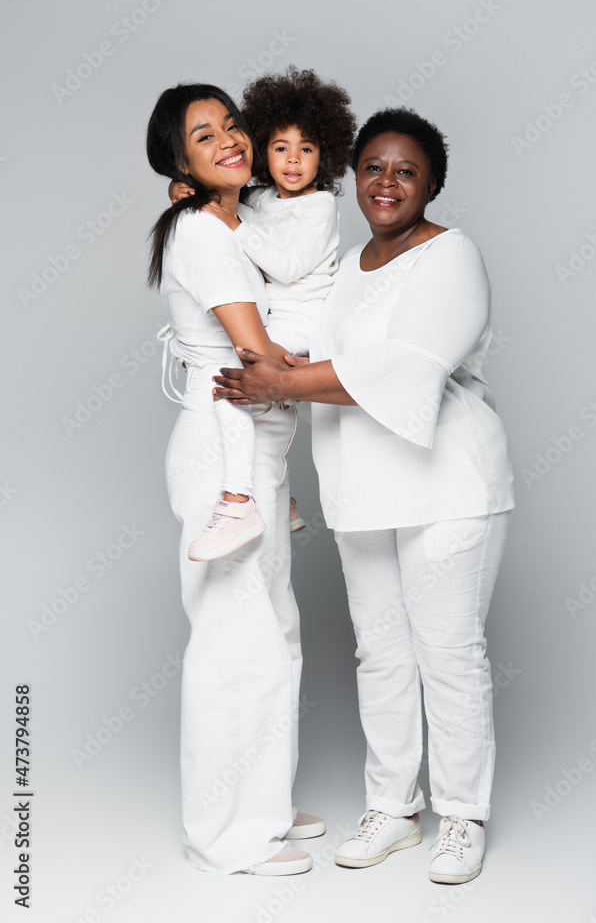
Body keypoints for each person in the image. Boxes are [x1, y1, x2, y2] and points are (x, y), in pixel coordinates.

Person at [213, 107, 515, 885]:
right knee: (380, 654)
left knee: (447, 654)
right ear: (354, 179)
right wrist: (255, 359)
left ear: (433, 185)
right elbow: (317, 348)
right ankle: (392, 806)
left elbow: (404, 366)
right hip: (362, 487)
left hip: (447, 485)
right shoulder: (349, 265)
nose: (386, 182)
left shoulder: (452, 256)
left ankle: (461, 818)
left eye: (405, 170)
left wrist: (282, 381)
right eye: (373, 168)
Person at [146, 82, 324, 877]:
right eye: (202, 133)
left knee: (274, 635)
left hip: (256, 448)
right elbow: (257, 354)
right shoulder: (201, 231)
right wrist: (330, 364)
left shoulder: (232, 219)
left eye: (230, 125)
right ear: (177, 161)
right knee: (234, 645)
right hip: (222, 451)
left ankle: (267, 808)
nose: (227, 139)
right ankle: (226, 837)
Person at [170, 67, 356, 563]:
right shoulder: (261, 198)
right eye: (279, 148)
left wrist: (229, 220)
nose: (293, 160)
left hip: (302, 319)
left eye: (308, 149)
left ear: (327, 156)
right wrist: (188, 193)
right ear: (263, 150)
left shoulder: (319, 206)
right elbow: (223, 200)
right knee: (252, 396)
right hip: (278, 313)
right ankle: (279, 497)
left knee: (237, 381)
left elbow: (285, 262)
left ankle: (237, 500)